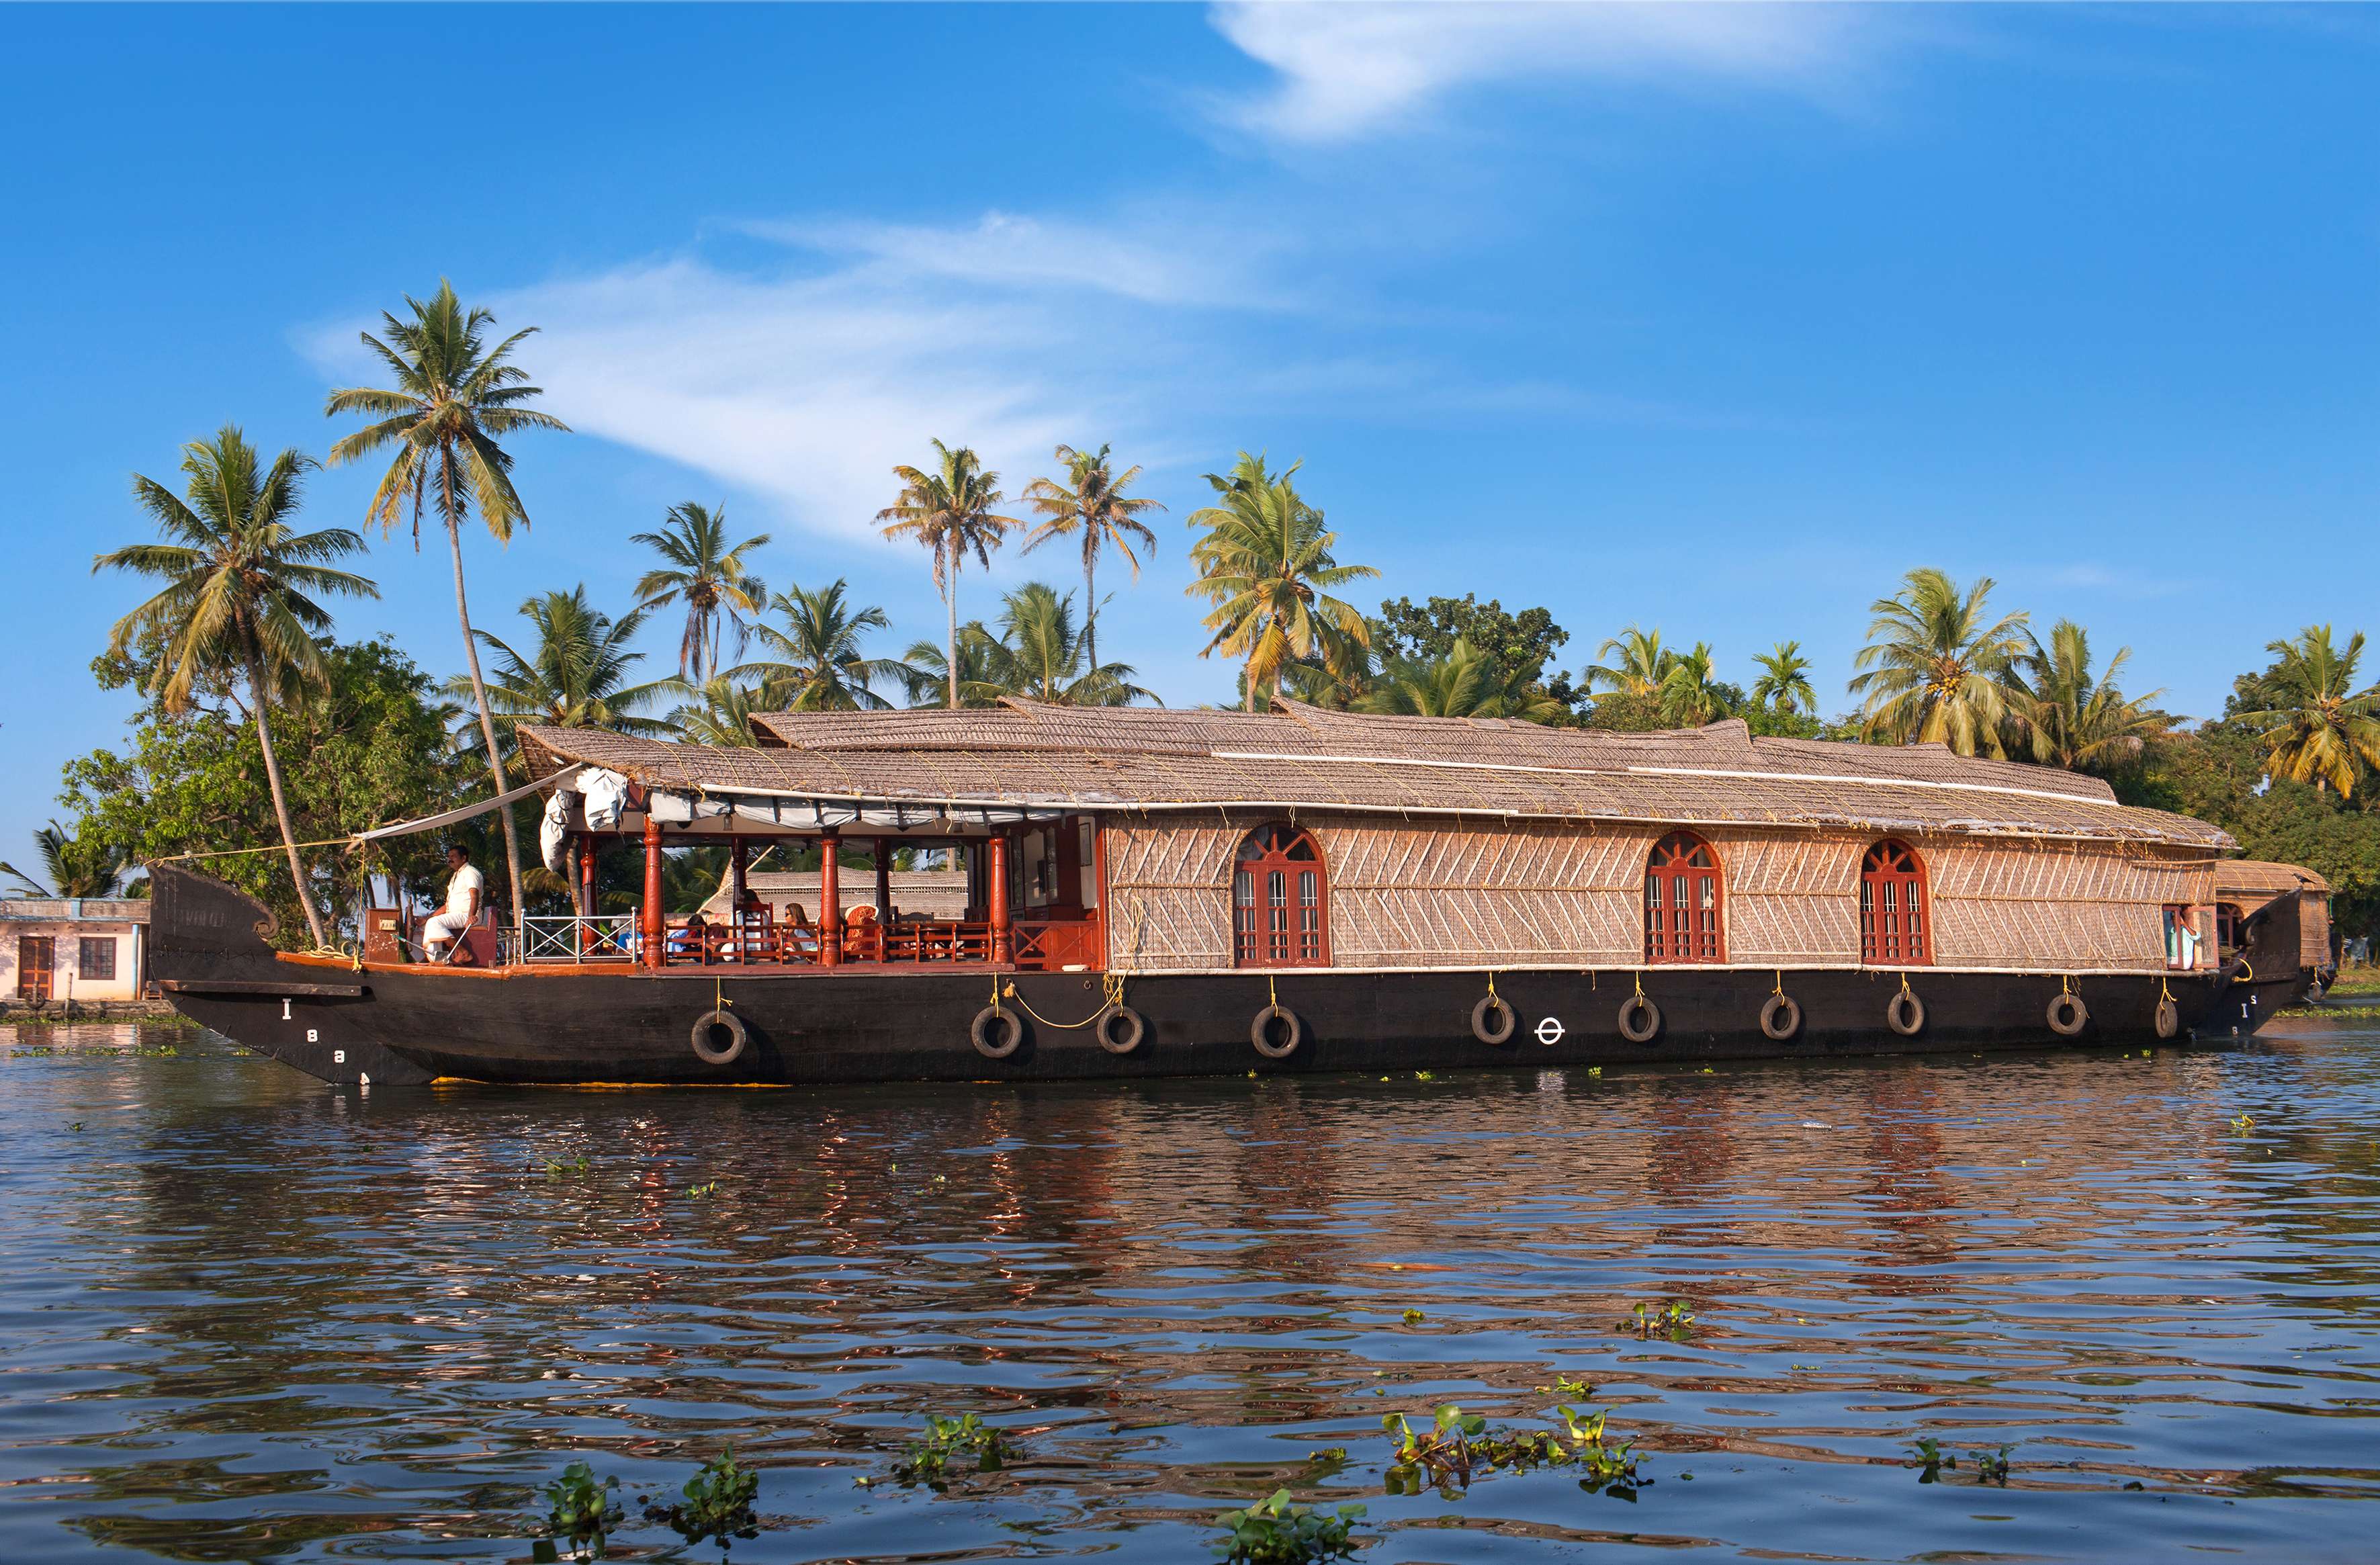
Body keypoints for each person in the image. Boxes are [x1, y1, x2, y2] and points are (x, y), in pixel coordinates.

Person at [421, 844, 484, 965]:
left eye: (453, 856)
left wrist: (471, 915)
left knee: (434, 923)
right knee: (425, 926)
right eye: (449, 856)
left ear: (464, 858)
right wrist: (426, 919)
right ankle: (435, 959)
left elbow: (474, 896)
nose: (450, 859)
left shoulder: (470, 872)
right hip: (456, 914)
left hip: (467, 915)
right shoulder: (456, 876)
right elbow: (447, 906)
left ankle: (462, 953)